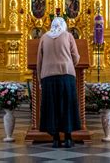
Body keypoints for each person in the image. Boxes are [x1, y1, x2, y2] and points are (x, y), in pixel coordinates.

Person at [37, 17, 81, 148]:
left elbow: (39, 60)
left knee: (52, 107)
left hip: (48, 77)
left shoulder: (44, 37)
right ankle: (68, 138)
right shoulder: (68, 36)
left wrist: (40, 79)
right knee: (67, 106)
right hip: (66, 75)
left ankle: (55, 139)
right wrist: (69, 65)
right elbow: (76, 56)